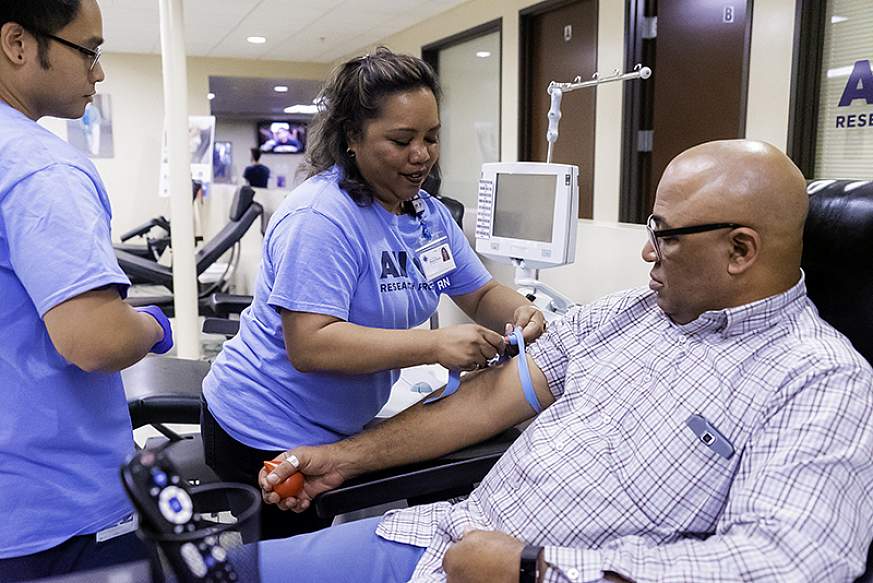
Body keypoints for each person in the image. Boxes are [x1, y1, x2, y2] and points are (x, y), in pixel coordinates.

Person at [256, 140, 873, 583]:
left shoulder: (819, 380)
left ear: (740, 250)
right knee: (194, 566)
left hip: (516, 569)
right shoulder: (632, 312)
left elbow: (790, 564)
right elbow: (489, 399)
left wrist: (536, 569)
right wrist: (341, 459)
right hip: (441, 539)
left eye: (664, 235)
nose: (645, 251)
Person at [201, 47, 545, 540]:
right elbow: (311, 344)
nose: (421, 154)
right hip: (260, 426)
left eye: (431, 138)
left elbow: (479, 291)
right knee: (290, 566)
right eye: (402, 140)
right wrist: (435, 345)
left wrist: (522, 312)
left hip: (338, 426)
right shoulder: (320, 218)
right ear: (352, 139)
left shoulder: (426, 214)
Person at [0, 2, 174, 581]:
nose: (98, 72)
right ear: (18, 43)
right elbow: (97, 341)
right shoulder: (40, 167)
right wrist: (153, 326)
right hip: (56, 515)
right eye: (89, 51)